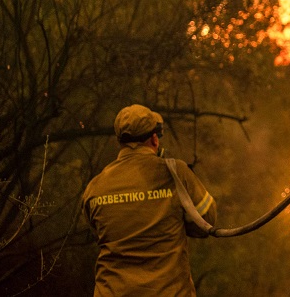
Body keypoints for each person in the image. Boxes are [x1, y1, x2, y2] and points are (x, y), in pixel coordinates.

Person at [82, 104, 216, 296]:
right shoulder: (176, 174)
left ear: (120, 141)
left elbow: (98, 234)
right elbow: (208, 221)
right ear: (154, 139)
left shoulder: (95, 187)